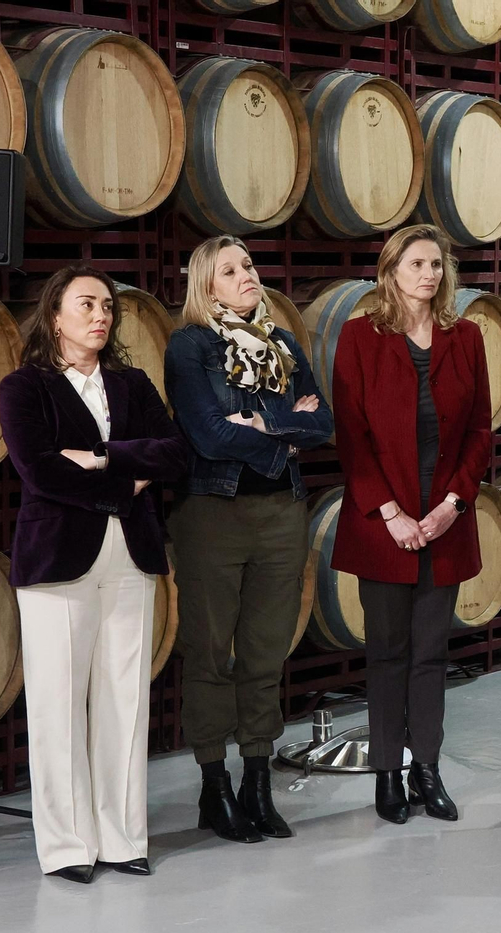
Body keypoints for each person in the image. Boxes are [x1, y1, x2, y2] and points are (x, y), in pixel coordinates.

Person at [0, 266, 189, 883]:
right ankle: (66, 846)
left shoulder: (132, 383)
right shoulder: (24, 387)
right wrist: (126, 480)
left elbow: (175, 453)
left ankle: (122, 838)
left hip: (130, 552)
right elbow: (40, 471)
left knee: (124, 698)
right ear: (55, 316)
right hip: (57, 557)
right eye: (86, 304)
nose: (101, 315)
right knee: (57, 702)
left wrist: (103, 457)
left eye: (107, 305)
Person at [165, 236, 332, 842]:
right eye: (229, 270)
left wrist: (262, 422)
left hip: (281, 513)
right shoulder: (191, 346)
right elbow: (207, 435)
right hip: (213, 512)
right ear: (206, 286)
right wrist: (284, 435)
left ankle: (258, 779)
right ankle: (214, 784)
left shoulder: (282, 342)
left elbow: (323, 423)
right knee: (210, 652)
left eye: (249, 265)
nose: (246, 276)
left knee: (265, 652)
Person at [330, 223, 491, 824]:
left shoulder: (466, 336)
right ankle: (387, 774)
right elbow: (352, 435)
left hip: (444, 521)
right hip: (384, 525)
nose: (429, 274)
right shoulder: (359, 337)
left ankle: (427, 767)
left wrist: (452, 504)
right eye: (417, 263)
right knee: (387, 654)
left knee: (431, 655)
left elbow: (480, 431)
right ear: (391, 270)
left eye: (436, 264)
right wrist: (391, 513)